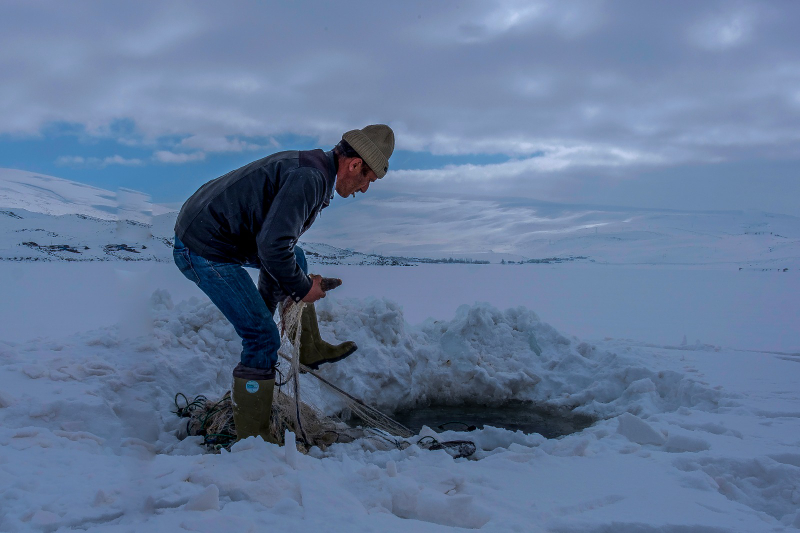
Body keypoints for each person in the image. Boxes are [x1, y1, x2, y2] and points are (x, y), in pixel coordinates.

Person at [172, 124, 395, 442]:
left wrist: (269, 303)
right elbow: (273, 249)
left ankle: (310, 350)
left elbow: (278, 247)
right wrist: (304, 289)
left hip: (220, 236)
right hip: (203, 247)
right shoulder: (310, 178)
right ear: (355, 164)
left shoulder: (315, 169)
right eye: (368, 180)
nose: (364, 189)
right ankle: (253, 440)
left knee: (297, 261)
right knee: (262, 340)